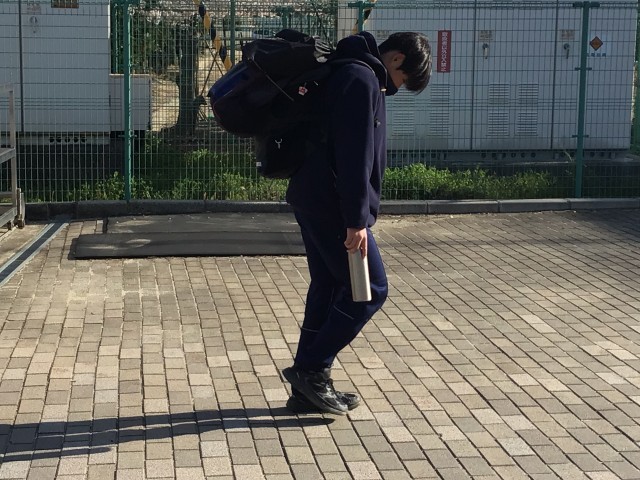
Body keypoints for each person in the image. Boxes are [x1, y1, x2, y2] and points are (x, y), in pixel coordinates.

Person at [281, 30, 432, 415]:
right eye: (403, 79)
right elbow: (354, 156)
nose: (398, 88)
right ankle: (311, 370)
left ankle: (308, 388)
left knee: (329, 285)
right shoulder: (362, 79)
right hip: (332, 204)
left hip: (313, 195)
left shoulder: (348, 70)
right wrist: (356, 220)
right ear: (396, 59)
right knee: (370, 290)